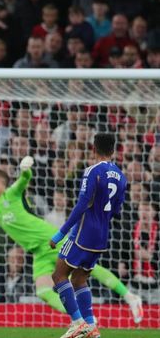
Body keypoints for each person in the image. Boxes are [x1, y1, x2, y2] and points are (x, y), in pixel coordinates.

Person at [0, 156, 143, 322]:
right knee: (43, 291)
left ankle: (130, 296)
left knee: (86, 268)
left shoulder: (11, 194)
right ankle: (81, 320)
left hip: (50, 239)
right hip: (38, 252)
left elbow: (24, 180)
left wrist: (25, 169)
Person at [50, 134, 128, 338]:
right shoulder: (121, 175)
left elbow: (82, 204)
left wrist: (60, 233)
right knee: (78, 279)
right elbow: (118, 210)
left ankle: (77, 323)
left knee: (58, 275)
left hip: (83, 233)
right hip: (102, 237)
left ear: (94, 149)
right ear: (113, 150)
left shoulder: (92, 171)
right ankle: (92, 328)